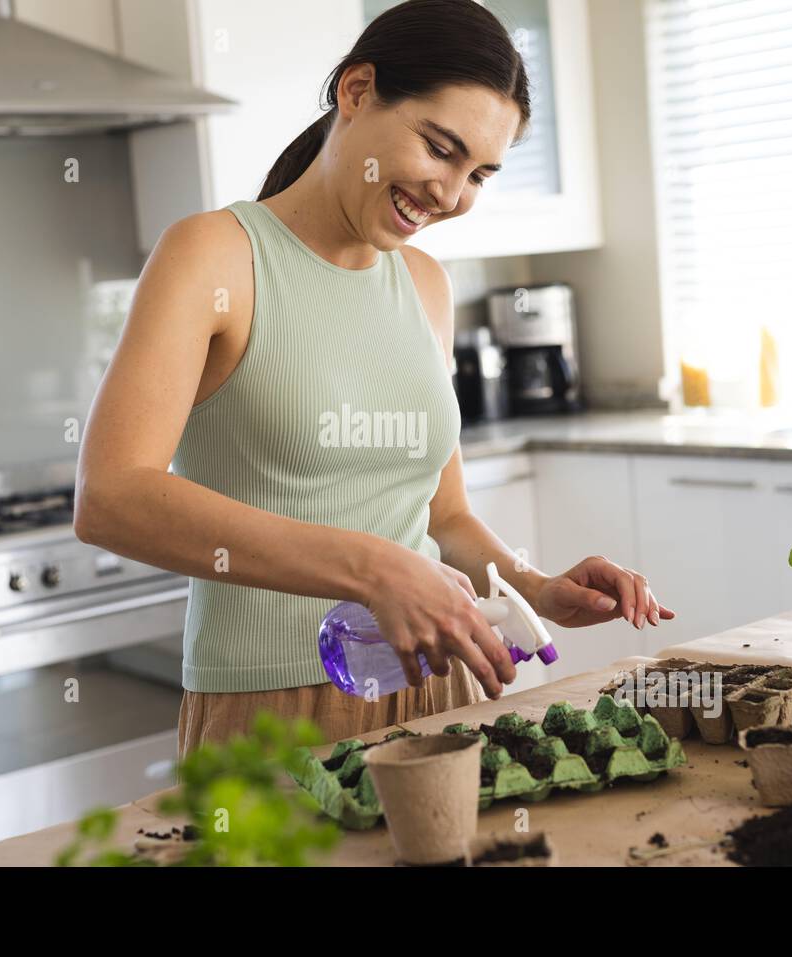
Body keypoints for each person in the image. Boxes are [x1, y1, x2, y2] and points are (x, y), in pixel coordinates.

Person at [74, 0, 674, 755]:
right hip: (272, 708)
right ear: (356, 92)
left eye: (478, 174)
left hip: (439, 690)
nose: (451, 194)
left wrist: (537, 585)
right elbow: (110, 496)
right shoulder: (213, 256)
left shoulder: (425, 283)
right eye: (440, 148)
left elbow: (444, 516)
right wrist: (371, 567)